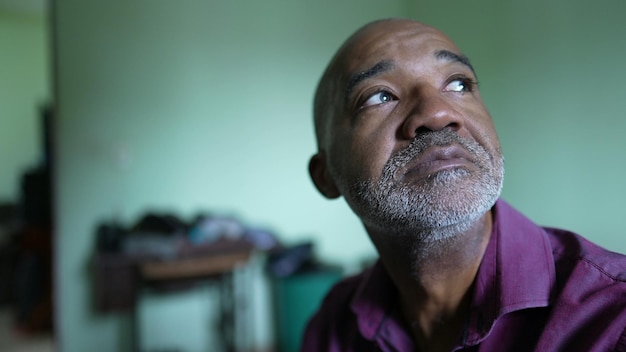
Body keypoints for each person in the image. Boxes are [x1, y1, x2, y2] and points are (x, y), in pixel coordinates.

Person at [302, 18, 626, 352]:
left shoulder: (614, 318)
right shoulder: (333, 327)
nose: (438, 113)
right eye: (380, 96)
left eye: (458, 84)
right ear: (325, 176)